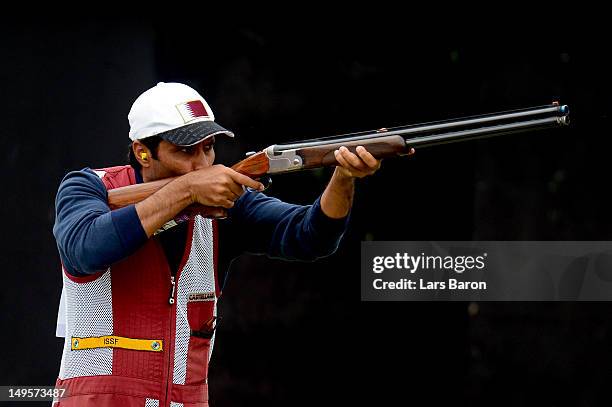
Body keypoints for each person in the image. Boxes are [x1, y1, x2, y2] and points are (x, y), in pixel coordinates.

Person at [52, 82, 382, 406]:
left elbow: (311, 236)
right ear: (143, 152)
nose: (202, 164)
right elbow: (85, 249)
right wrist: (187, 191)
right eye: (185, 151)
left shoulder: (225, 206)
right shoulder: (87, 188)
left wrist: (343, 178)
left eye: (208, 148)